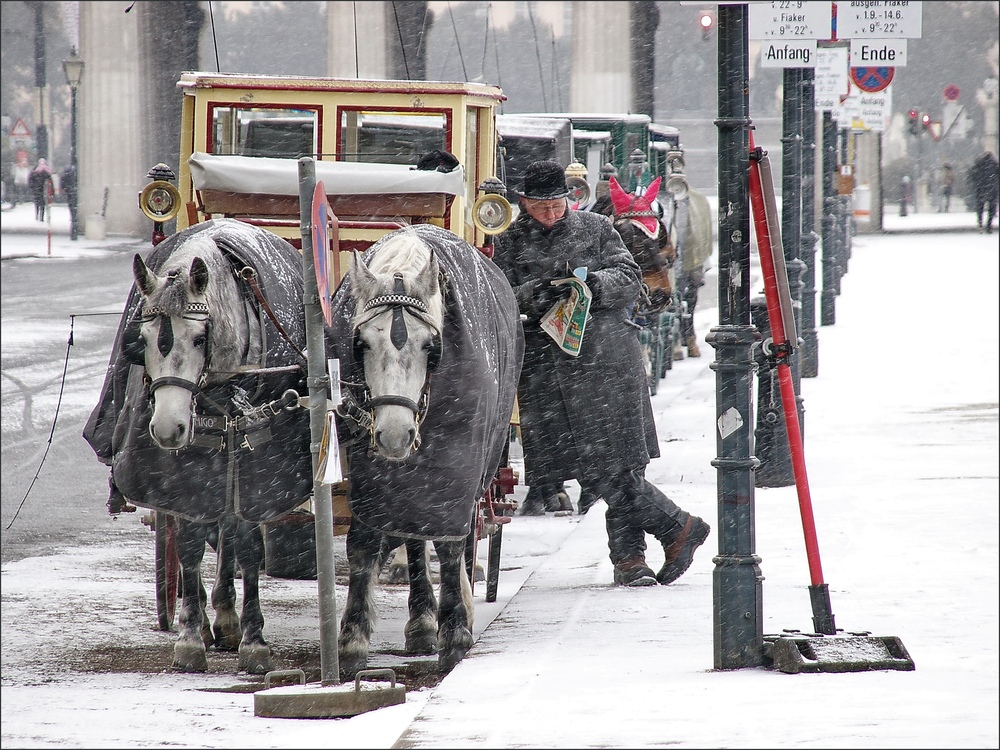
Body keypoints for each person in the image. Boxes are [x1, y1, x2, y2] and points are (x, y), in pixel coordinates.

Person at [493, 160, 710, 587]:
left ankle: (631, 560)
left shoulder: (594, 228)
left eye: (557, 205)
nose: (551, 214)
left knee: (619, 463)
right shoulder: (510, 241)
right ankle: (677, 527)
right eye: (541, 208)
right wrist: (535, 292)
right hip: (547, 372)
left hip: (605, 362)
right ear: (524, 203)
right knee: (599, 469)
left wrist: (591, 284)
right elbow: (500, 293)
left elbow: (631, 278)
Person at [970, 150, 999, 233]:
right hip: (992, 189)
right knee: (991, 209)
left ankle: (980, 224)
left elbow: (973, 175)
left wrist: (976, 185)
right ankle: (989, 226)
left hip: (981, 189)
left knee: (980, 208)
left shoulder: (979, 164)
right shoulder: (995, 164)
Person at [28, 157, 52, 222]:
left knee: (37, 203)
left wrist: (32, 187)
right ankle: (41, 216)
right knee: (42, 204)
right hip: (43, 190)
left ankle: (37, 215)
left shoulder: (35, 171)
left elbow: (30, 180)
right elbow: (50, 182)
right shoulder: (47, 171)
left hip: (37, 190)